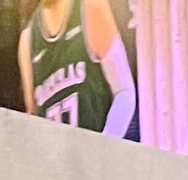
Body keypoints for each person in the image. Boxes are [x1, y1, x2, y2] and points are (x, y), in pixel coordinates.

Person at [20, 0, 137, 137]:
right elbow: (33, 117)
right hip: (58, 154)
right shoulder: (28, 40)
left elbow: (124, 93)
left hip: (96, 147)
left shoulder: (89, 6)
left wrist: (103, 150)